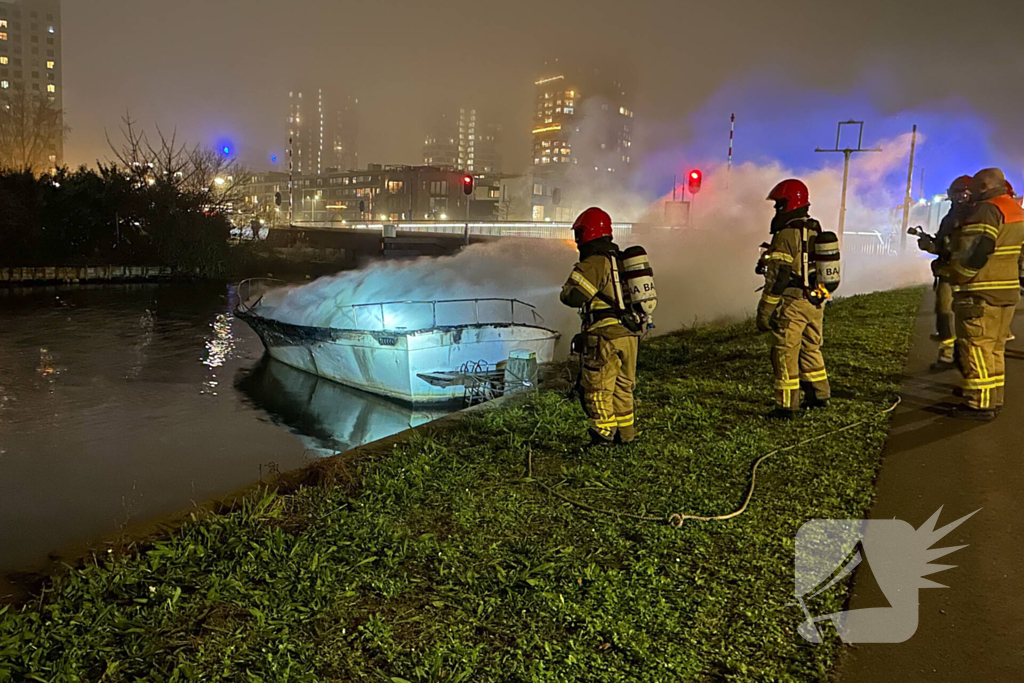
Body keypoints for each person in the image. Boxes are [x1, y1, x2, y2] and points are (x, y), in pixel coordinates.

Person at [948, 168, 1024, 420]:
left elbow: (976, 250)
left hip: (981, 290)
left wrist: (956, 274)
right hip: (1007, 291)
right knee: (995, 348)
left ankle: (978, 404)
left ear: (984, 186)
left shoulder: (986, 210)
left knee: (976, 346)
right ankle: (994, 397)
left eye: (975, 187)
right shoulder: (1015, 210)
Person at [560, 207, 640, 445]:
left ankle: (603, 436)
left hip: (604, 336)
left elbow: (573, 296)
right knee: (622, 387)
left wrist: (565, 290)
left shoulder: (595, 262)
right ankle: (626, 435)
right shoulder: (620, 260)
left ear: (586, 234)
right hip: (629, 334)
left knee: (597, 388)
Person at [757, 179, 831, 418]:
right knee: (811, 348)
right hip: (815, 301)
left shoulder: (786, 234)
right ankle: (819, 395)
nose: (776, 208)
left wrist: (765, 311)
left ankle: (787, 406)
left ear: (788, 203)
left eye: (779, 203)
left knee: (785, 352)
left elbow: (779, 277)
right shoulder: (814, 229)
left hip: (793, 303)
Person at [918, 176, 973, 369]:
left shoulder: (978, 216)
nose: (959, 198)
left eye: (963, 193)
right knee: (943, 312)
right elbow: (941, 246)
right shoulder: (949, 218)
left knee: (967, 318)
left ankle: (966, 359)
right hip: (948, 273)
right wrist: (929, 246)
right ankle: (947, 354)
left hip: (969, 275)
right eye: (956, 194)